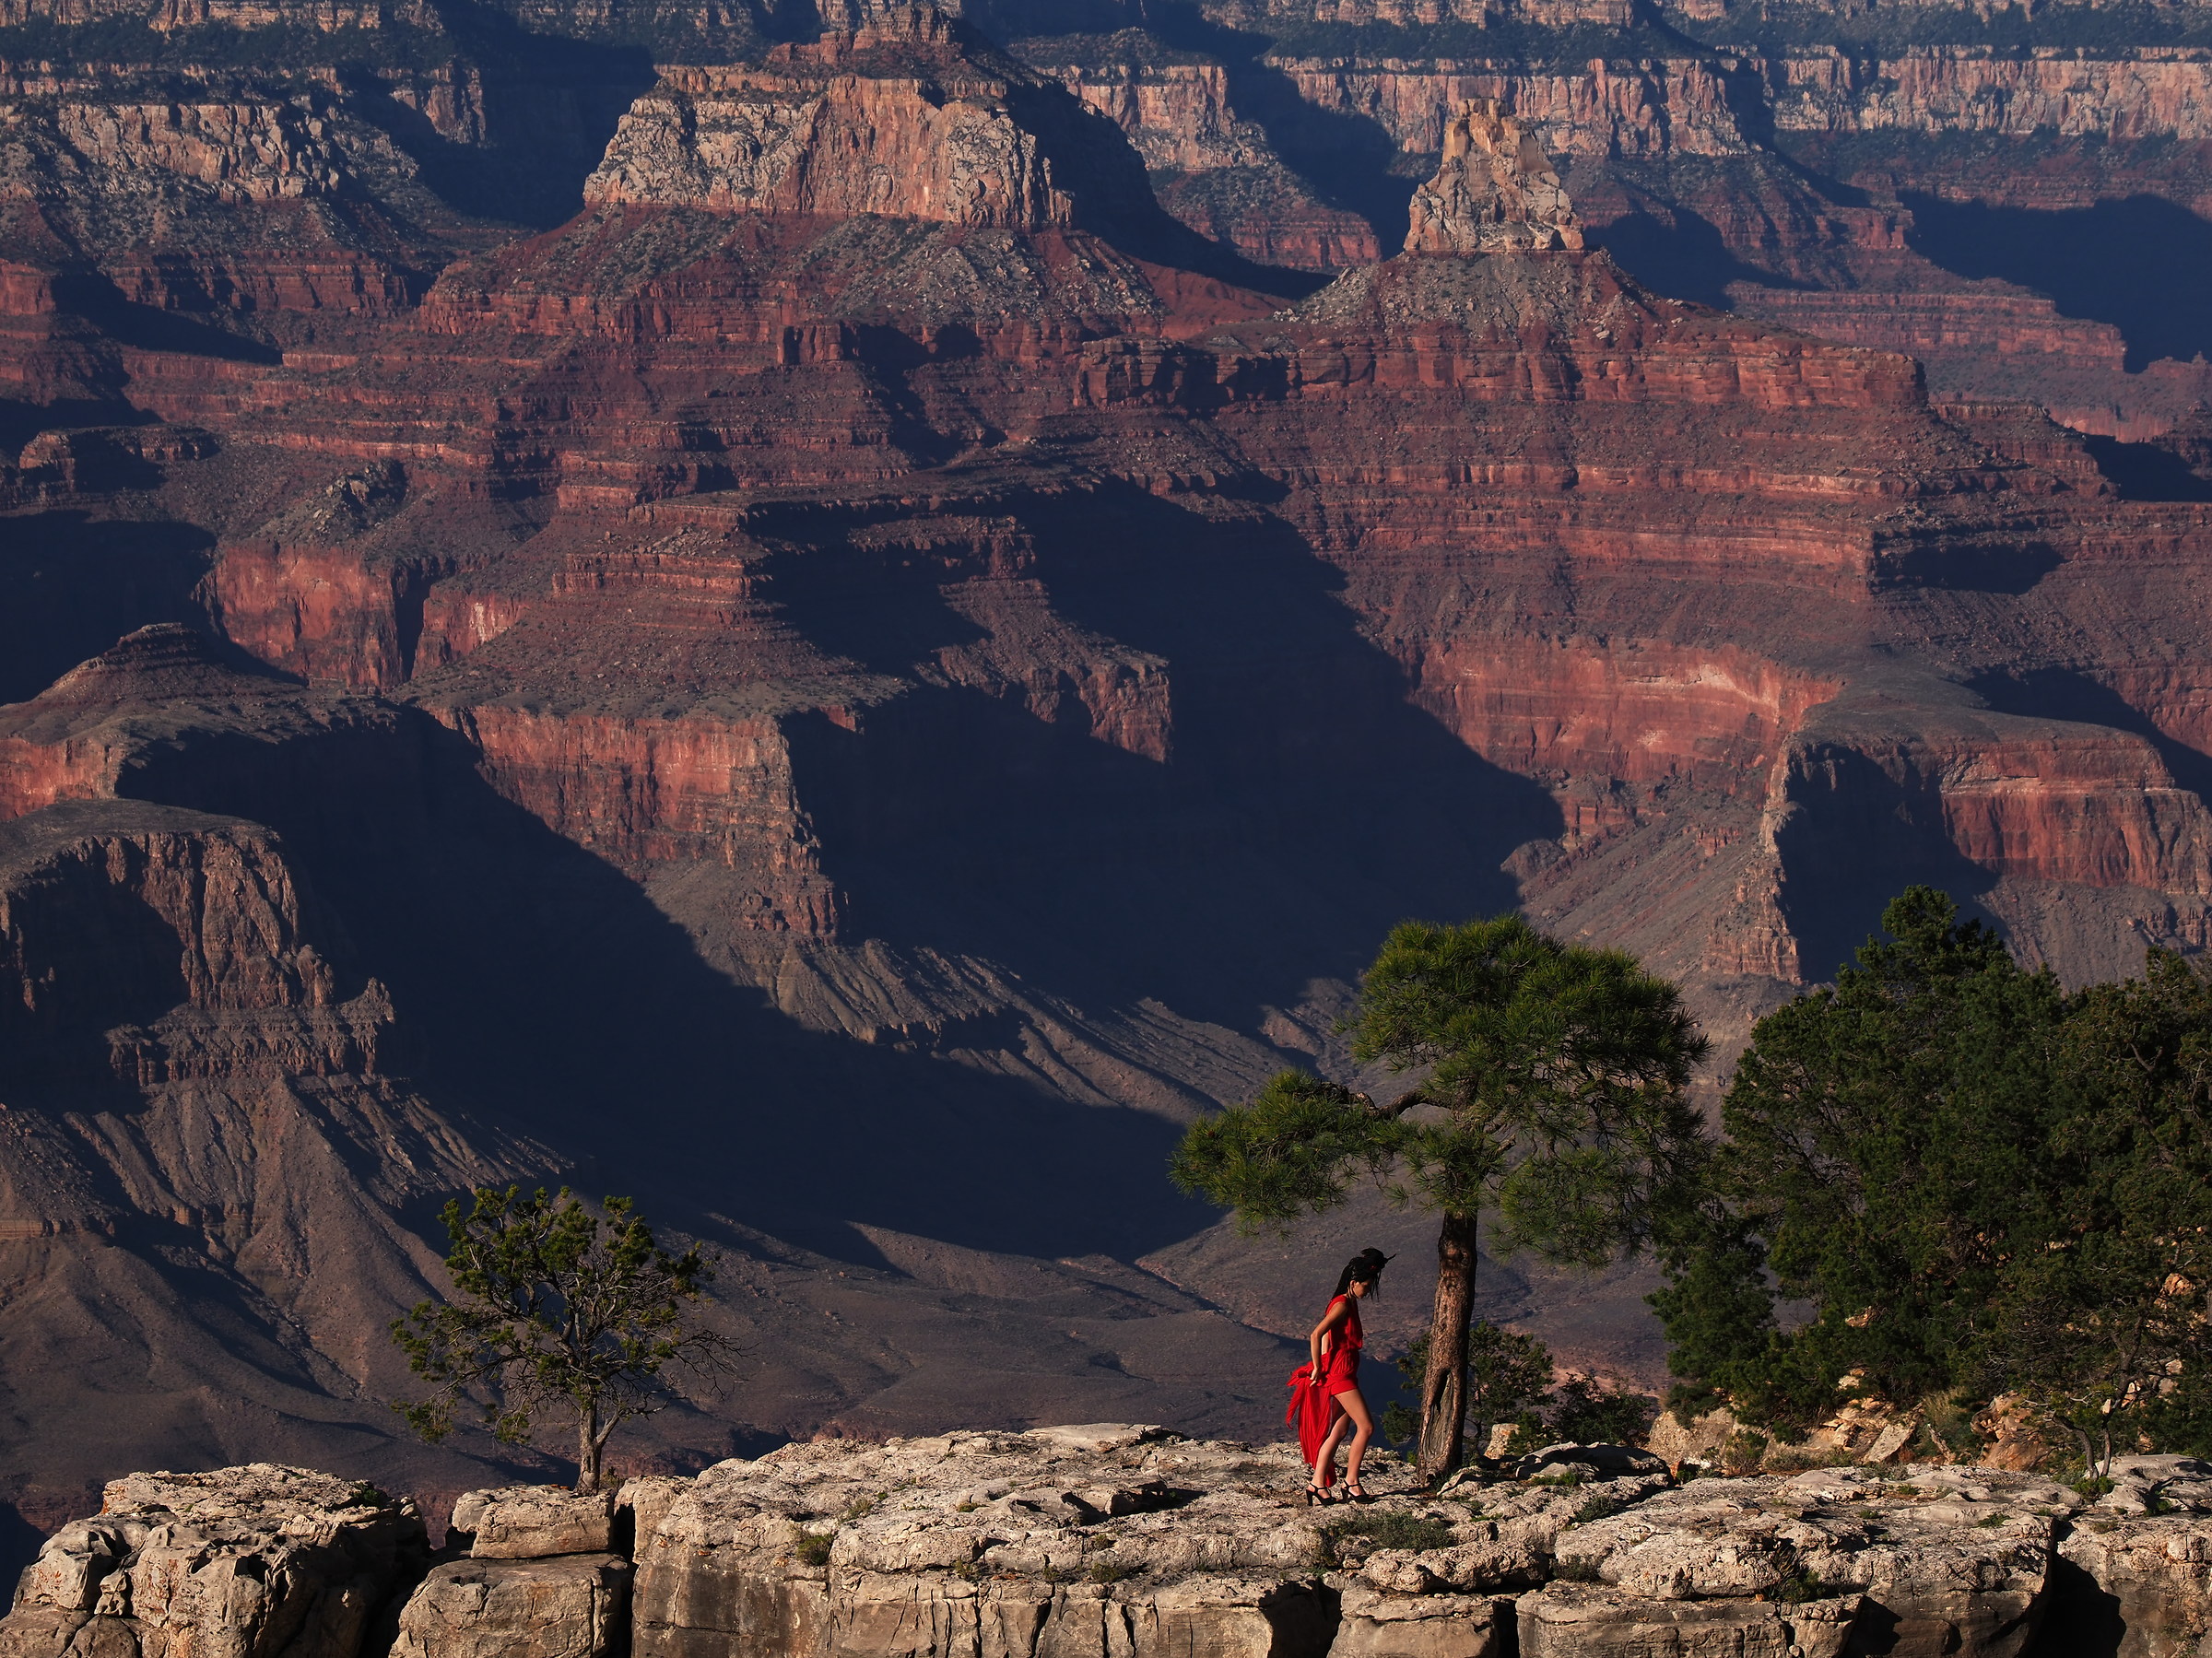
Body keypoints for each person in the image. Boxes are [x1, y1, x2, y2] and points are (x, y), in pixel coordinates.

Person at [1286, 1247, 1389, 1503]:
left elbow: (1328, 1339)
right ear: (1354, 1283)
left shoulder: (1347, 1303)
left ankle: (1317, 1484)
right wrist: (1319, 1367)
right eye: (1366, 1285)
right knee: (1366, 1426)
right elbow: (1316, 1334)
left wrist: (1323, 1364)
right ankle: (1352, 1482)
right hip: (1340, 1374)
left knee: (1339, 1432)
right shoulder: (1342, 1305)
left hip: (1345, 1371)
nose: (1368, 1290)